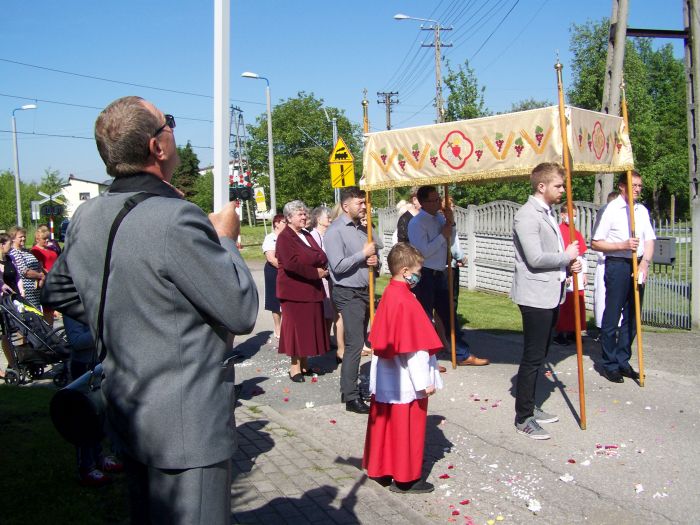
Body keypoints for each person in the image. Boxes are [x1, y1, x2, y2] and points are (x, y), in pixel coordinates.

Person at [42, 96, 258, 524]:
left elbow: (60, 292)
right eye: (169, 123)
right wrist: (227, 239)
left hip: (130, 414)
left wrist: (133, 320)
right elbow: (242, 309)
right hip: (187, 431)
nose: (174, 132)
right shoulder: (176, 219)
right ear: (157, 147)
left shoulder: (87, 214)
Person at [363, 243, 443, 494]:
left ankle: (383, 470)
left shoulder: (390, 293)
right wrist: (424, 382)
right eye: (418, 269)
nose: (420, 274)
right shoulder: (406, 301)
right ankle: (406, 478)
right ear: (406, 270)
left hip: (389, 375)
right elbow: (415, 350)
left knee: (387, 426)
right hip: (407, 379)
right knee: (406, 429)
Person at [511, 163, 581, 440]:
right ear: (542, 186)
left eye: (562, 185)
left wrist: (567, 266)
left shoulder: (548, 213)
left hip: (551, 292)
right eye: (558, 185)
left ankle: (531, 406)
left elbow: (551, 254)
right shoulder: (526, 215)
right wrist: (565, 256)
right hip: (534, 296)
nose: (563, 190)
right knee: (532, 357)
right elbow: (535, 258)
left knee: (540, 355)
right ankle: (523, 417)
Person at [408, 186, 488, 367]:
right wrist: (442, 235)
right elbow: (422, 252)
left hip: (441, 271)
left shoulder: (439, 218)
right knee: (426, 318)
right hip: (425, 272)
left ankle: (461, 353)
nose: (438, 203)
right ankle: (427, 359)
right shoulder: (417, 223)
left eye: (438, 199)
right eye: (433, 200)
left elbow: (449, 243)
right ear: (422, 203)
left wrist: (450, 225)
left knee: (449, 314)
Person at [592, 171, 655, 384]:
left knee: (633, 314)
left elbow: (649, 239)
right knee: (613, 313)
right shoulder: (611, 210)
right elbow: (596, 242)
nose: (637, 189)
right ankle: (609, 363)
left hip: (637, 265)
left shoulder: (642, 211)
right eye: (633, 185)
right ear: (621, 186)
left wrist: (644, 263)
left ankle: (622, 359)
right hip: (617, 263)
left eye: (639, 185)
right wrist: (623, 245)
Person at [325, 186, 378, 414]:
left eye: (364, 203)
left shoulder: (362, 228)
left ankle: (355, 389)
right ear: (346, 206)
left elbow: (378, 245)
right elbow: (337, 266)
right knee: (355, 343)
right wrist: (363, 256)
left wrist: (372, 255)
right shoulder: (334, 231)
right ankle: (350, 396)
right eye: (360, 203)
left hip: (366, 289)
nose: (364, 207)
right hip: (348, 292)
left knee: (362, 339)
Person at [63, 314, 124, 487]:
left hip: (98, 364)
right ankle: (86, 467)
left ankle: (99, 458)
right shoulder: (73, 305)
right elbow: (75, 341)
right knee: (84, 420)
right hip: (83, 368)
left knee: (99, 416)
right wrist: (106, 332)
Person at [276, 200, 330, 382]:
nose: (304, 217)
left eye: (305, 214)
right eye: (300, 214)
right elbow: (291, 264)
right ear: (289, 218)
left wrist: (320, 266)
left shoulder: (306, 234)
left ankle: (305, 363)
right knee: (296, 330)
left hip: (311, 290)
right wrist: (315, 271)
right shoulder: (285, 237)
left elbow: (320, 255)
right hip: (294, 292)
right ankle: (294, 367)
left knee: (308, 329)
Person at [553, 209, 588, 345]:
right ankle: (561, 333)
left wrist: (584, 273)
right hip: (567, 270)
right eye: (571, 215)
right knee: (565, 304)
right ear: (563, 215)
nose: (573, 218)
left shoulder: (577, 233)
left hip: (577, 271)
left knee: (577, 302)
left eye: (574, 215)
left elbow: (582, 255)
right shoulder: (559, 231)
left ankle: (574, 331)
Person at [593, 191, 619, 333]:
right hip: (605, 261)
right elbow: (596, 241)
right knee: (603, 299)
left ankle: (617, 327)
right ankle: (601, 327)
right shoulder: (603, 216)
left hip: (619, 262)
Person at [309, 206, 335, 335]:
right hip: (321, 277)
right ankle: (323, 337)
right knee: (324, 309)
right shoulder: (313, 236)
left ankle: (326, 337)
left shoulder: (328, 235)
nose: (330, 220)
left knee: (329, 310)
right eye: (328, 217)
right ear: (319, 219)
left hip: (329, 276)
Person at [261, 214, 286, 344]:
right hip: (274, 271)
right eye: (284, 222)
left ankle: (286, 328)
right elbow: (271, 258)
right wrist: (285, 267)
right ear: (276, 223)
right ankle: (278, 329)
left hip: (285, 271)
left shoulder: (287, 237)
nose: (286, 224)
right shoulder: (270, 238)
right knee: (275, 299)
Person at [8, 226, 45, 311]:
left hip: (35, 292)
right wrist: (40, 276)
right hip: (25, 293)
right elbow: (25, 271)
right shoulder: (13, 253)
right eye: (20, 237)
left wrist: (41, 279)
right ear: (13, 239)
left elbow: (38, 266)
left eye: (24, 236)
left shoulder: (27, 251)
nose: (23, 238)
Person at [31, 226, 59, 326]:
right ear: (37, 239)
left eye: (47, 238)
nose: (46, 240)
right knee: (47, 310)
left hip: (55, 279)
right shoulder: (35, 251)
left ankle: (51, 331)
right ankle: (48, 334)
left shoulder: (51, 250)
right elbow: (40, 267)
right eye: (44, 239)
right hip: (46, 281)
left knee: (53, 310)